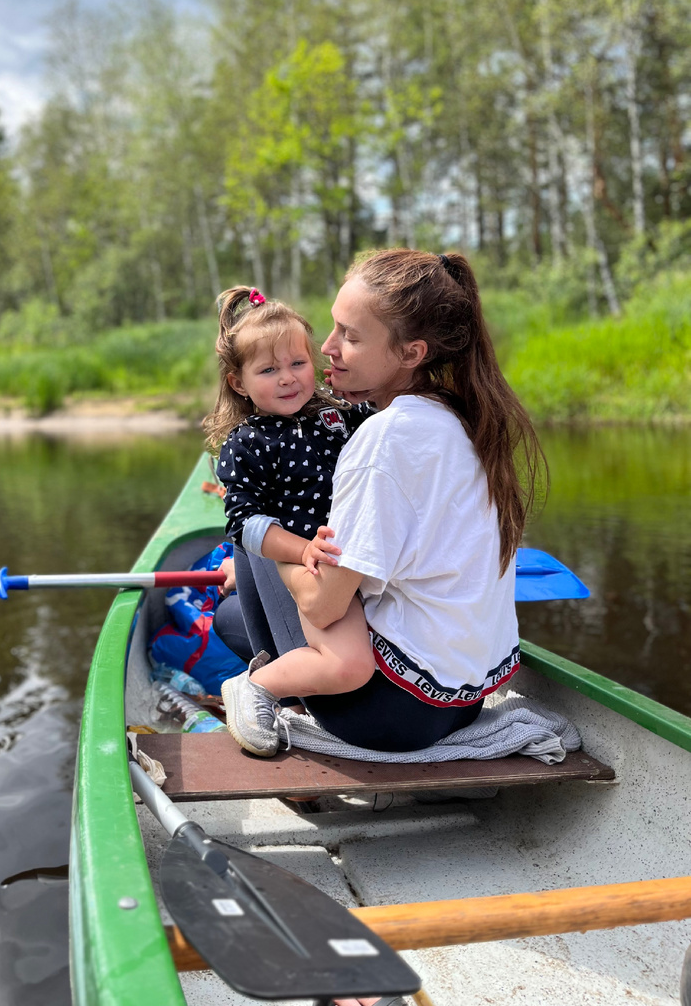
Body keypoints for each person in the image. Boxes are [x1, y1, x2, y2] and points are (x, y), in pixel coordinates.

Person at [214, 249, 547, 768]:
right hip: (463, 701)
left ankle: (260, 688)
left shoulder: (381, 440)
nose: (326, 348)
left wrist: (279, 550)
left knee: (251, 546)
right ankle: (255, 592)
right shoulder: (463, 416)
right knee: (236, 600)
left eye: (349, 335)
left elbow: (323, 608)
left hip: (384, 712)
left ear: (412, 352)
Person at [202, 286, 376, 755]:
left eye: (298, 363)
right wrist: (302, 550)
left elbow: (385, 415)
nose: (287, 379)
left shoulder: (338, 414)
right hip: (306, 567)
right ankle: (266, 689)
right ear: (239, 383)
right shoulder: (247, 442)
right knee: (344, 660)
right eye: (268, 370)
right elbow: (245, 524)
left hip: (354, 555)